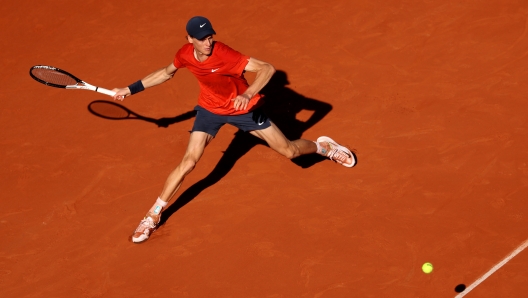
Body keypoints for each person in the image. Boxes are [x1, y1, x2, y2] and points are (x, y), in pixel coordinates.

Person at [112, 16, 356, 243]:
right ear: (189, 40)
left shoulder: (224, 54)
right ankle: (153, 215)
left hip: (244, 111)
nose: (208, 42)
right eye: (202, 39)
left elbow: (267, 68)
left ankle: (324, 147)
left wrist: (248, 93)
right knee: (189, 162)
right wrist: (129, 89)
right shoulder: (185, 55)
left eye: (210, 36)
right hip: (210, 111)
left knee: (291, 152)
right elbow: (166, 73)